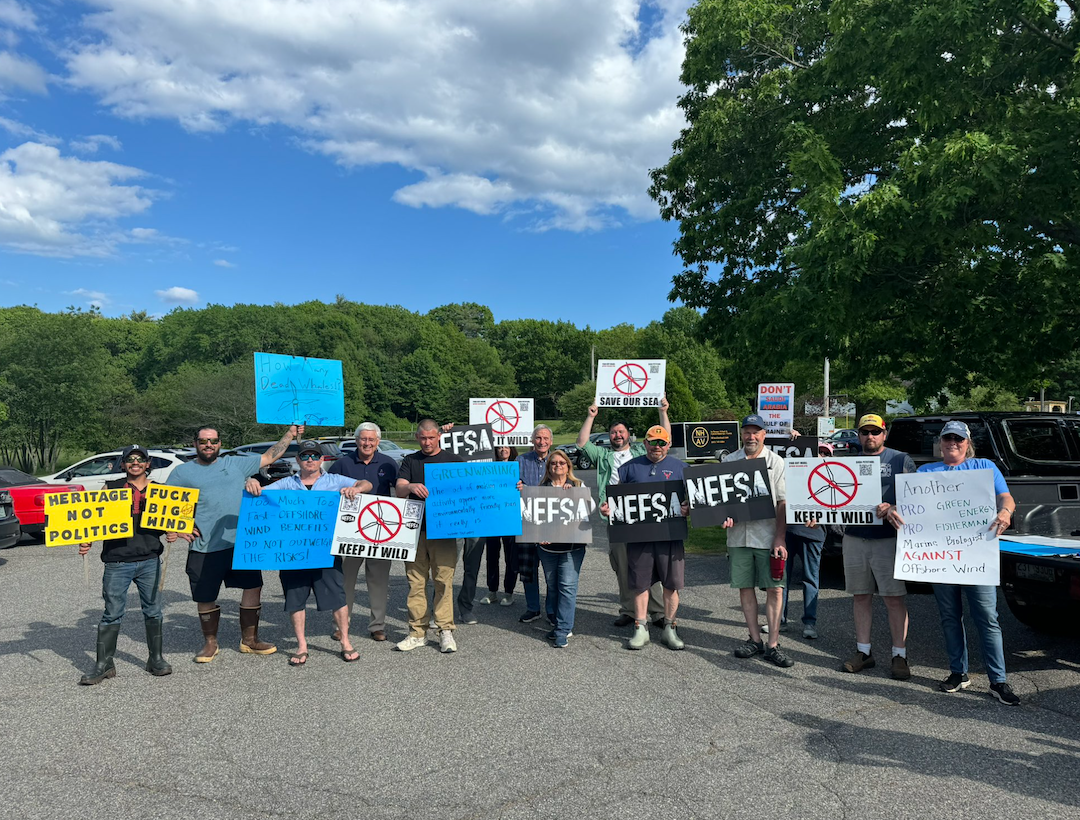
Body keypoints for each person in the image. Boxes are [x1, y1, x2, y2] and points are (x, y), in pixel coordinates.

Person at [168, 423, 303, 662]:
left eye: (213, 441)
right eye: (203, 441)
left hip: (241, 544)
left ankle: (249, 640)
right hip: (204, 545)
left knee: (253, 586)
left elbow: (269, 456)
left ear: (220, 443)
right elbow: (166, 503)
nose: (208, 445)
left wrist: (290, 434)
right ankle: (210, 643)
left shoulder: (235, 464)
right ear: (195, 444)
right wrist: (177, 527)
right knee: (205, 595)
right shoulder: (182, 472)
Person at [915, 421, 1020, 705]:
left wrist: (1006, 512)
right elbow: (912, 507)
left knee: (987, 617)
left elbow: (1006, 497)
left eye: (958, 438)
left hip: (977, 556)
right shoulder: (925, 472)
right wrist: (893, 509)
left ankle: (998, 681)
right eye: (947, 437)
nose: (953, 442)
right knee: (950, 616)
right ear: (940, 442)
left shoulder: (984, 467)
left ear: (967, 443)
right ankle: (958, 672)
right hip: (941, 556)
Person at [244, 441, 371, 665]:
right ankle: (302, 645)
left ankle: (345, 641)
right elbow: (260, 495)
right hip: (293, 553)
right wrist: (251, 482)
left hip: (326, 552)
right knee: (295, 599)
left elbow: (366, 483)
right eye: (305, 456)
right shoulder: (286, 484)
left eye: (314, 456)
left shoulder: (335, 480)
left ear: (322, 459)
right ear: (298, 460)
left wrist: (357, 488)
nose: (310, 460)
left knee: (337, 597)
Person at [78, 445, 172, 684]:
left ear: (148, 464)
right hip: (117, 561)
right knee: (112, 613)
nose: (135, 463)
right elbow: (96, 519)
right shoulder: (110, 488)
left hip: (150, 560)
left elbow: (169, 520)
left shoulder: (160, 490)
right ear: (123, 464)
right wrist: (86, 540)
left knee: (153, 611)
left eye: (140, 459)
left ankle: (156, 659)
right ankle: (104, 664)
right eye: (130, 459)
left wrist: (172, 530)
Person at [576, 398, 671, 629]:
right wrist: (591, 416)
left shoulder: (640, 451)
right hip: (617, 517)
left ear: (629, 434)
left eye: (621, 431)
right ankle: (629, 610)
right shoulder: (603, 456)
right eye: (613, 432)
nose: (617, 435)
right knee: (623, 564)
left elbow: (665, 438)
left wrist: (663, 412)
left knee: (651, 565)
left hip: (645, 516)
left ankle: (657, 612)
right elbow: (581, 444)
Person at [837, 414, 916, 680]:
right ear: (858, 435)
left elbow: (918, 497)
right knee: (860, 596)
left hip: (888, 539)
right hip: (855, 537)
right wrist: (816, 513)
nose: (870, 437)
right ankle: (864, 652)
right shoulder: (847, 462)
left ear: (884, 434)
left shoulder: (900, 460)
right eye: (864, 432)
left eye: (875, 432)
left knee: (894, 598)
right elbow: (833, 496)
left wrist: (893, 506)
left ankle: (899, 655)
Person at [600, 425, 690, 651]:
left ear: (668, 444)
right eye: (652, 442)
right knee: (640, 584)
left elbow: (694, 501)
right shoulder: (628, 468)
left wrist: (689, 508)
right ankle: (640, 628)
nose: (657, 447)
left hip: (670, 536)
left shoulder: (682, 468)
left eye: (662, 442)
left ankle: (670, 628)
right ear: (645, 443)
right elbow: (616, 498)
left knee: (671, 584)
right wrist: (609, 509)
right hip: (639, 537)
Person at [721, 414, 794, 668]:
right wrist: (722, 515)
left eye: (756, 432)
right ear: (741, 434)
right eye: (747, 432)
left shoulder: (776, 462)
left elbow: (783, 502)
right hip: (738, 537)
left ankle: (773, 644)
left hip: (768, 537)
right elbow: (721, 500)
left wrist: (780, 537)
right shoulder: (729, 461)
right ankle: (754, 639)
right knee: (745, 587)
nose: (751, 437)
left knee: (775, 588)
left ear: (764, 435)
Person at [395, 419, 463, 653]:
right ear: (417, 437)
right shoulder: (410, 461)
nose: (427, 442)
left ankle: (445, 630)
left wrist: (511, 486)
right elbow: (399, 488)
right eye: (423, 438)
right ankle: (417, 632)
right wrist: (410, 487)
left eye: (431, 438)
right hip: (415, 530)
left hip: (444, 532)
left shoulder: (454, 460)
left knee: (443, 581)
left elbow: (474, 489)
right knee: (416, 582)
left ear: (439, 436)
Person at [327, 422, 398, 642]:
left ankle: (377, 625)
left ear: (378, 441)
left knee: (379, 580)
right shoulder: (342, 464)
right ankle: (341, 625)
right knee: (345, 580)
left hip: (380, 529)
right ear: (356, 440)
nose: (367, 443)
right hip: (349, 530)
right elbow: (327, 492)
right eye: (363, 439)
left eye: (371, 439)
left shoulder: (389, 463)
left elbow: (400, 491)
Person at [780, 440, 833, 639]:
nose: (821, 456)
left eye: (825, 453)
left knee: (810, 579)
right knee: (781, 579)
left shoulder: (831, 479)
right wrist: (790, 433)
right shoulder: (793, 473)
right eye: (818, 452)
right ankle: (780, 620)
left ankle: (810, 622)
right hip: (788, 531)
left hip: (814, 536)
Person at [536, 449, 589, 648]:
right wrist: (538, 535)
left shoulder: (578, 486)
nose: (557, 466)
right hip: (547, 549)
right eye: (553, 463)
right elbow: (533, 517)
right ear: (548, 468)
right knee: (553, 586)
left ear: (568, 466)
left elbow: (588, 512)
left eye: (561, 463)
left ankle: (563, 630)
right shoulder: (540, 488)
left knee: (567, 587)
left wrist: (574, 496)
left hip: (572, 548)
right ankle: (558, 622)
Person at [515, 425, 555, 624]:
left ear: (551, 441)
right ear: (532, 440)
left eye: (545, 438)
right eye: (538, 438)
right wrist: (516, 486)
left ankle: (552, 610)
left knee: (552, 571)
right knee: (528, 570)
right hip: (527, 523)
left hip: (551, 524)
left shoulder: (557, 460)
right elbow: (509, 487)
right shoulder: (520, 460)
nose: (542, 442)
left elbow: (570, 482)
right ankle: (533, 608)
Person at [480, 445, 520, 606]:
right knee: (491, 556)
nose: (503, 450)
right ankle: (492, 591)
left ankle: (509, 592)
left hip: (511, 517)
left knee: (511, 557)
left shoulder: (518, 467)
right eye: (500, 447)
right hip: (492, 517)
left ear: (512, 449)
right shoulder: (488, 467)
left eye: (506, 447)